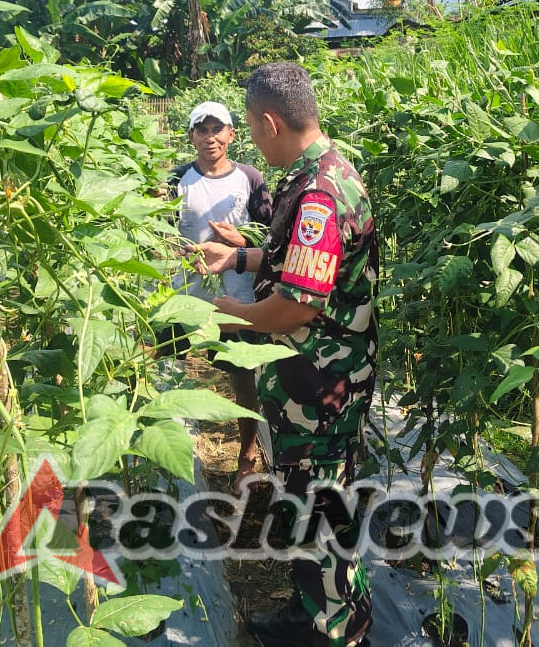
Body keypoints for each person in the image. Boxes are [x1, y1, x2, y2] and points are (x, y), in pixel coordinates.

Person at [193, 63, 376, 647]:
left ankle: (330, 628)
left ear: (270, 122)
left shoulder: (318, 192)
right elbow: (299, 264)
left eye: (249, 128)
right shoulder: (324, 171)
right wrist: (239, 261)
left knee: (316, 501)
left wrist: (226, 313)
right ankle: (326, 605)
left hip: (318, 383)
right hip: (321, 379)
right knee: (321, 498)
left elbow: (297, 304)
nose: (250, 139)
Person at [168, 100, 273, 489]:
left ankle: (247, 451)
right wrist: (174, 252)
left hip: (237, 295)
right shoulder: (177, 181)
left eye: (218, 129)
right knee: (164, 361)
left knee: (243, 373)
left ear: (232, 134)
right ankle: (171, 450)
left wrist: (240, 240)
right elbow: (159, 234)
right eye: (202, 129)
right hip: (186, 295)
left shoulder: (250, 177)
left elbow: (270, 237)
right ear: (192, 136)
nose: (210, 137)